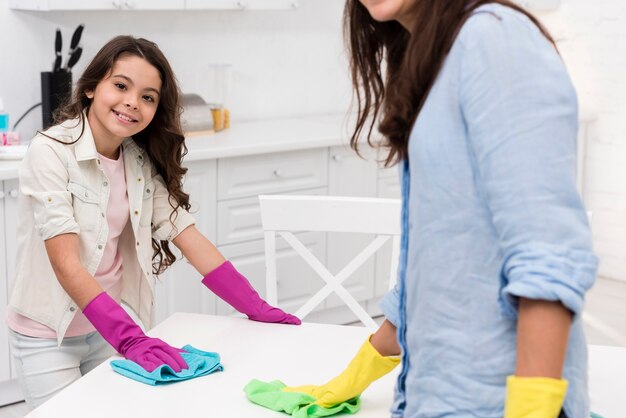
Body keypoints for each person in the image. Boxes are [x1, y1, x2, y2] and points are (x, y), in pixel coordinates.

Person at [283, 1, 598, 417]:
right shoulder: (436, 57)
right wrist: (356, 374)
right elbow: (443, 263)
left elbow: (547, 255)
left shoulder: (493, 38)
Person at [6, 35, 299, 409]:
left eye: (148, 96)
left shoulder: (137, 161)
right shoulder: (49, 152)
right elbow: (66, 264)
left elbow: (186, 234)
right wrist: (130, 338)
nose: (132, 102)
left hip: (106, 330)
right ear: (93, 88)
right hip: (49, 335)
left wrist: (254, 305)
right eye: (121, 86)